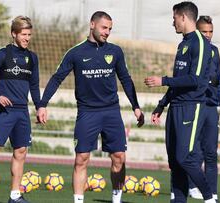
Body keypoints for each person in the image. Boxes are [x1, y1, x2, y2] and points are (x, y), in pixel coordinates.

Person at [37, 11, 144, 203]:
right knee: (81, 159)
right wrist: (43, 104)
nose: (107, 32)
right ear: (92, 25)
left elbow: (126, 79)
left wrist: (136, 106)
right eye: (104, 28)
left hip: (111, 111)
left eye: (110, 29)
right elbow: (57, 78)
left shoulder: (115, 51)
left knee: (119, 157)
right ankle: (78, 201)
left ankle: (116, 199)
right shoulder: (75, 53)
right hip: (87, 113)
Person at [144, 2, 216, 203]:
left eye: (174, 17)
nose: (172, 22)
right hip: (175, 107)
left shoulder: (200, 44)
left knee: (185, 158)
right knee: (175, 162)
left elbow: (195, 79)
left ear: (183, 17)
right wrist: (162, 104)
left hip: (191, 108)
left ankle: (210, 198)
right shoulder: (182, 44)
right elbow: (178, 80)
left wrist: (162, 80)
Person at [0, 16, 40, 203]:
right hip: (4, 113)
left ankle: (15, 195)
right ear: (14, 34)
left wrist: (40, 106)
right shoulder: (2, 54)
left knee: (21, 153)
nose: (27, 38)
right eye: (23, 34)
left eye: (29, 34)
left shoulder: (32, 58)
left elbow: (35, 86)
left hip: (22, 113)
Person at [187, 15, 220, 202]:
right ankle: (191, 187)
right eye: (204, 31)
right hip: (194, 106)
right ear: (197, 31)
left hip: (211, 108)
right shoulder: (190, 48)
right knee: (194, 152)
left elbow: (219, 81)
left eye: (210, 31)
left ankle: (212, 193)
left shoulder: (215, 51)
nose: (208, 35)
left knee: (211, 153)